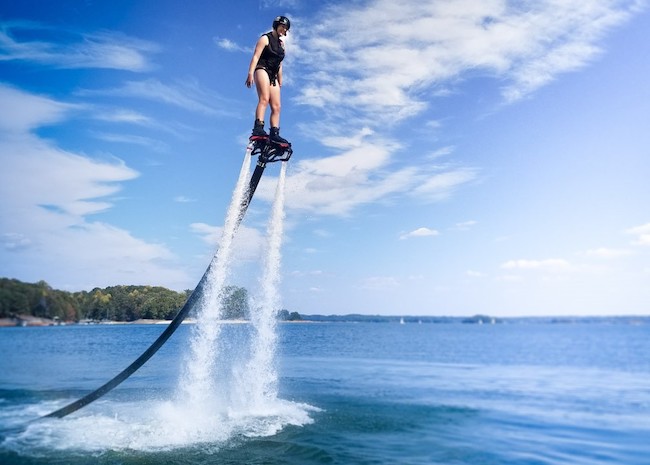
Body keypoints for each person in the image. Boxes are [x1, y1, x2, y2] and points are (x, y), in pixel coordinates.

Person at [245, 15, 291, 145]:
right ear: (276, 25)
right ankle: (258, 128)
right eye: (282, 26)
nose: (284, 30)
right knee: (264, 98)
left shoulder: (282, 45)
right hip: (262, 69)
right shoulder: (265, 38)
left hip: (273, 74)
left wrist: (280, 80)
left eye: (286, 28)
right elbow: (256, 56)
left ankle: (274, 134)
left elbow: (279, 63)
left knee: (277, 106)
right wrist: (250, 73)